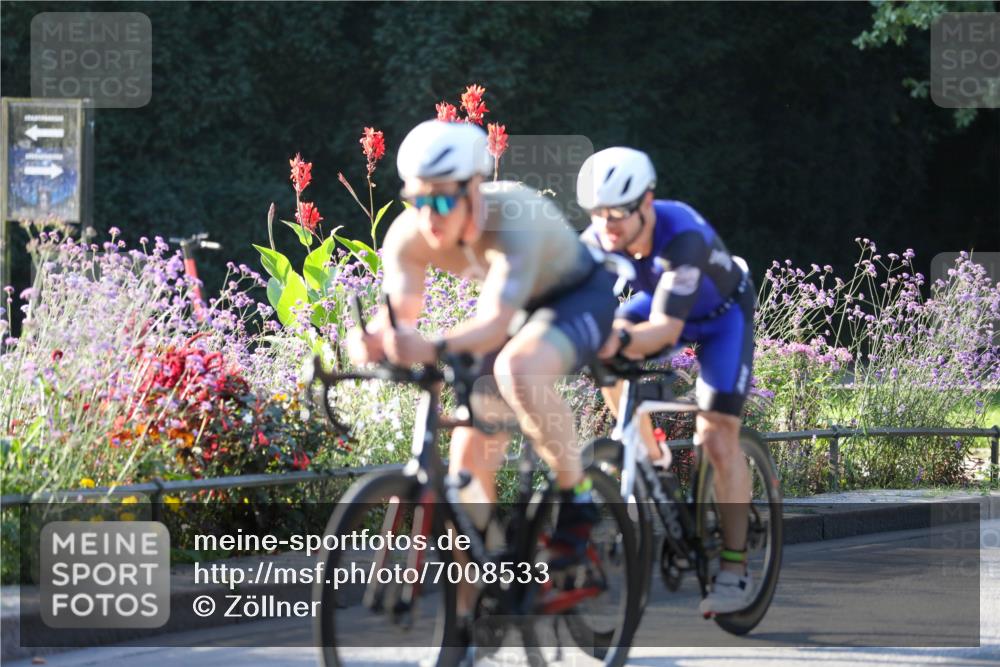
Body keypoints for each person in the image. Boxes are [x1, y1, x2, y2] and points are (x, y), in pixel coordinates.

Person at [347, 120, 619, 572]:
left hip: (575, 297)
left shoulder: (513, 218)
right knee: (465, 473)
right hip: (514, 314)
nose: (428, 216)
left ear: (474, 188)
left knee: (519, 370)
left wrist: (429, 348)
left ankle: (578, 497)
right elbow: (400, 313)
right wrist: (372, 340)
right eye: (417, 200)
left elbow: (493, 324)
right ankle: (479, 605)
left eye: (440, 200)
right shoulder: (408, 234)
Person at [578, 147, 757, 616]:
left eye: (617, 214)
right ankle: (644, 451)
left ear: (647, 202)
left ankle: (735, 569)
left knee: (716, 438)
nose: (607, 225)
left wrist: (611, 337)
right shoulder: (601, 236)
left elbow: (665, 332)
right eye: (598, 214)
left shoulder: (683, 236)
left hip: (722, 317)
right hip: (658, 302)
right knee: (604, 354)